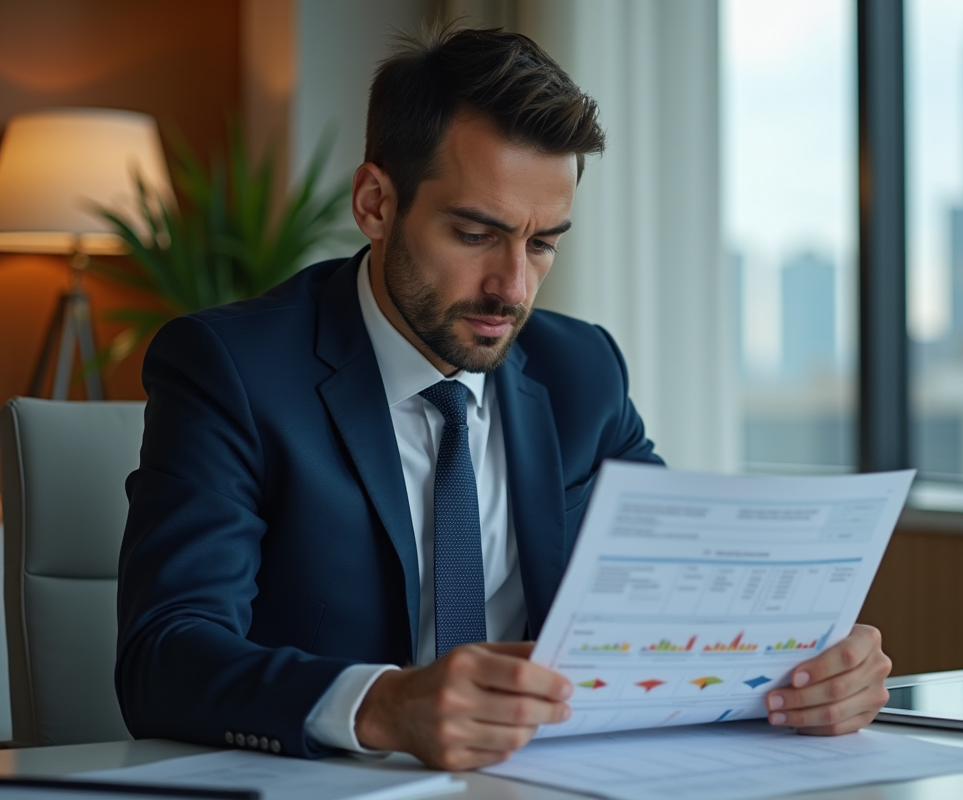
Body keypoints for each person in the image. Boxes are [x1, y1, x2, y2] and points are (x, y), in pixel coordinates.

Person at [116, 25, 892, 771]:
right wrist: (382, 704)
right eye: (475, 233)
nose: (512, 288)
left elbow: (676, 608)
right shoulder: (232, 369)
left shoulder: (583, 371)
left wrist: (809, 670)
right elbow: (165, 655)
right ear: (376, 204)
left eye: (543, 241)